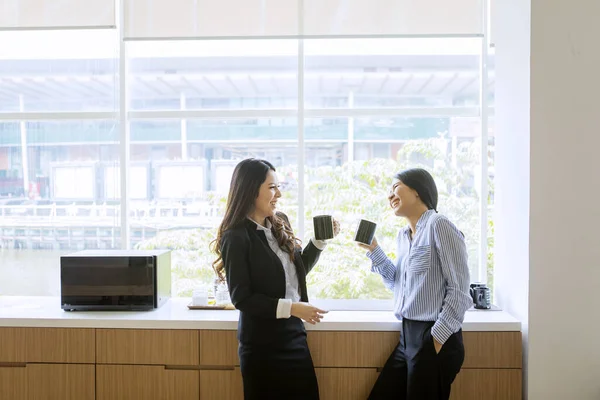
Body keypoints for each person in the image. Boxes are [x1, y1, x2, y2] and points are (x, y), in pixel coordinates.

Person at [211, 158, 339, 400]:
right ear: (250, 190)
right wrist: (293, 308)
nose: (279, 193)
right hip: (262, 348)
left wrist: (320, 241)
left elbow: (295, 272)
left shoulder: (280, 222)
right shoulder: (236, 237)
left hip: (294, 336)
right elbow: (242, 299)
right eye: (272, 187)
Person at [359, 168, 472, 400]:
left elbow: (460, 290)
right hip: (407, 336)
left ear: (418, 190)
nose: (390, 195)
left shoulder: (438, 224)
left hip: (432, 336)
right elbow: (398, 284)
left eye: (396, 187)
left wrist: (435, 341)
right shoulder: (403, 236)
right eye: (389, 191)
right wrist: (374, 250)